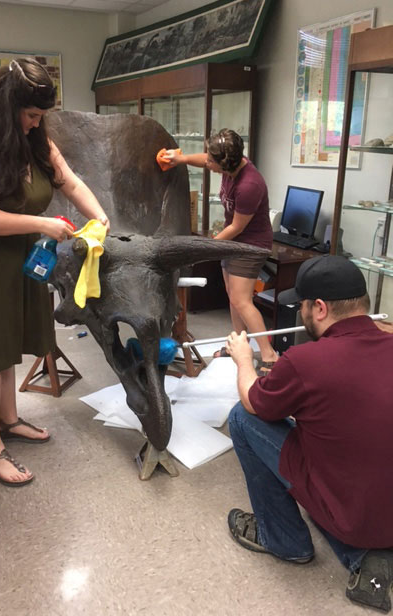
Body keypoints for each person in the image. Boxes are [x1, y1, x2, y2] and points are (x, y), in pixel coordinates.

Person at [0, 58, 110, 487]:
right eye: (30, 115)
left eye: (41, 116)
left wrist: (101, 219)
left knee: (8, 335)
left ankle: (8, 420)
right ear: (7, 107)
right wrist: (43, 224)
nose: (35, 123)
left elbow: (71, 182)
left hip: (13, 246)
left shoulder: (34, 137)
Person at [224, 254, 393, 612]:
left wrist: (243, 359)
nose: (299, 313)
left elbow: (255, 402)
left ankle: (285, 541)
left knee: (242, 418)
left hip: (354, 512)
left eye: (300, 305)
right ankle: (372, 548)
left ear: (319, 308)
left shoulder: (305, 362)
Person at [164, 129, 277, 372]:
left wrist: (206, 247)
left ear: (226, 164)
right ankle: (238, 345)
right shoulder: (229, 165)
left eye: (212, 162)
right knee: (233, 297)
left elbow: (237, 226)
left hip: (251, 245)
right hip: (234, 242)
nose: (208, 164)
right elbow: (204, 159)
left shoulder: (249, 185)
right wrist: (180, 158)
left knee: (242, 300)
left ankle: (269, 356)